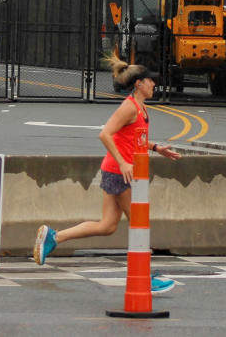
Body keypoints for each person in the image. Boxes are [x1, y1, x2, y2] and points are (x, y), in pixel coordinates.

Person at [32, 56, 182, 295]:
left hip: (115, 170)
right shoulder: (129, 106)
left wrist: (156, 148)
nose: (154, 85)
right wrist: (123, 163)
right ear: (139, 84)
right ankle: (144, 277)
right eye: (151, 81)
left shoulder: (140, 107)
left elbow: (133, 138)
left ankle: (54, 236)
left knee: (108, 225)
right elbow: (105, 134)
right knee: (139, 223)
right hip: (117, 172)